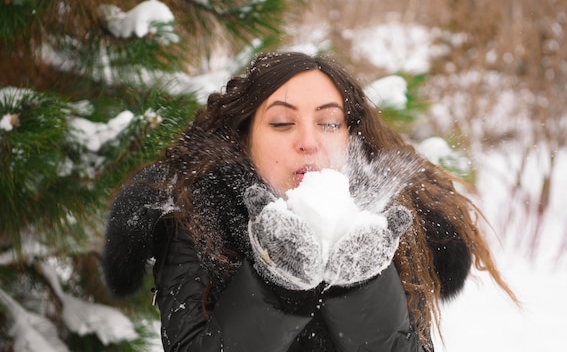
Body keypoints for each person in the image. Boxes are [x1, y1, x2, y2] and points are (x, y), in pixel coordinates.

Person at [102, 51, 515, 351]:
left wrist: (363, 284)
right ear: (244, 137)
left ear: (350, 137)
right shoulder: (199, 216)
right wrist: (278, 287)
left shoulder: (387, 221)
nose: (308, 141)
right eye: (282, 123)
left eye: (329, 122)